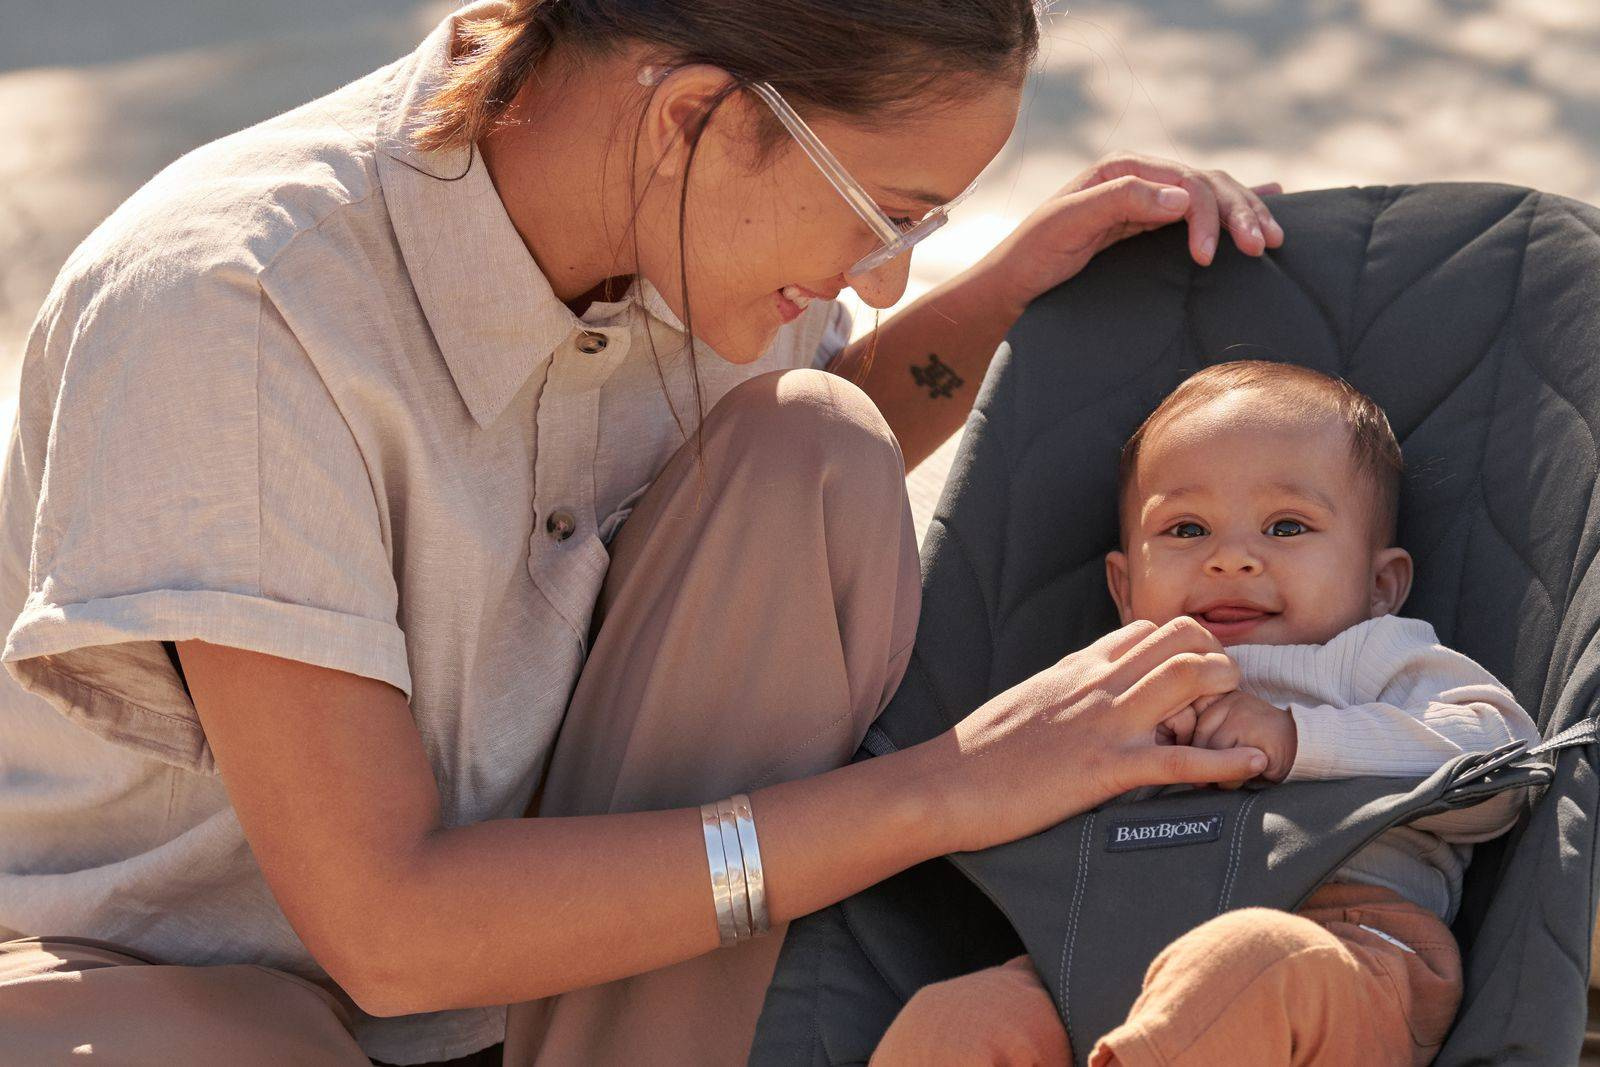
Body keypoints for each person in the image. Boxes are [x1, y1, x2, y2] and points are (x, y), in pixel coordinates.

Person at [0, 1, 1287, 1063]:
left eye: (921, 226)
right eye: (884, 210)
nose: (886, 267)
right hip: (168, 981)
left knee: (816, 445)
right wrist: (947, 787)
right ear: (691, 116)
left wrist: (1010, 291)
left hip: (538, 976)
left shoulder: (678, 212)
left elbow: (782, 475)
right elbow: (387, 933)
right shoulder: (239, 310)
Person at [873, 361, 1540, 1066]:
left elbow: (1504, 762)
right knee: (955, 1019)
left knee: (1246, 963)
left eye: (1286, 526)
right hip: (1102, 950)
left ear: (1380, 585)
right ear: (1125, 589)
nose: (1231, 558)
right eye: (1187, 529)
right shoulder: (1110, 682)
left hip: (1342, 941)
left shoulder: (1372, 656)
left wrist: (1298, 739)